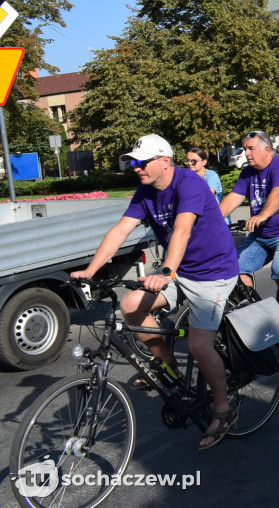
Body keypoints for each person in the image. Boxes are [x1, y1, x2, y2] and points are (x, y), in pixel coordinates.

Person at [71, 135, 239, 450]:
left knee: (199, 346)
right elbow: (120, 230)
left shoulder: (188, 184)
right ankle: (168, 365)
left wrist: (164, 272)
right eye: (133, 162)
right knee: (131, 305)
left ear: (165, 160)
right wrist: (89, 271)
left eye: (142, 162)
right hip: (178, 271)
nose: (136, 168)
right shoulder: (146, 191)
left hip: (212, 273)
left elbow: (183, 230)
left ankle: (223, 409)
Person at [219, 130, 279, 338]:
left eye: (250, 148)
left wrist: (262, 215)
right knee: (235, 271)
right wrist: (211, 223)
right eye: (245, 149)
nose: (246, 153)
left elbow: (278, 195)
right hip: (263, 234)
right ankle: (254, 315)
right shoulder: (248, 173)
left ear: (267, 150)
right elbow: (233, 199)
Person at [187, 147, 230, 224]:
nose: (189, 163)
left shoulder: (211, 175)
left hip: (218, 221)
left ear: (204, 162)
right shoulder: (189, 177)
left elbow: (209, 194)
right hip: (201, 219)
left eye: (193, 161)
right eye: (187, 160)